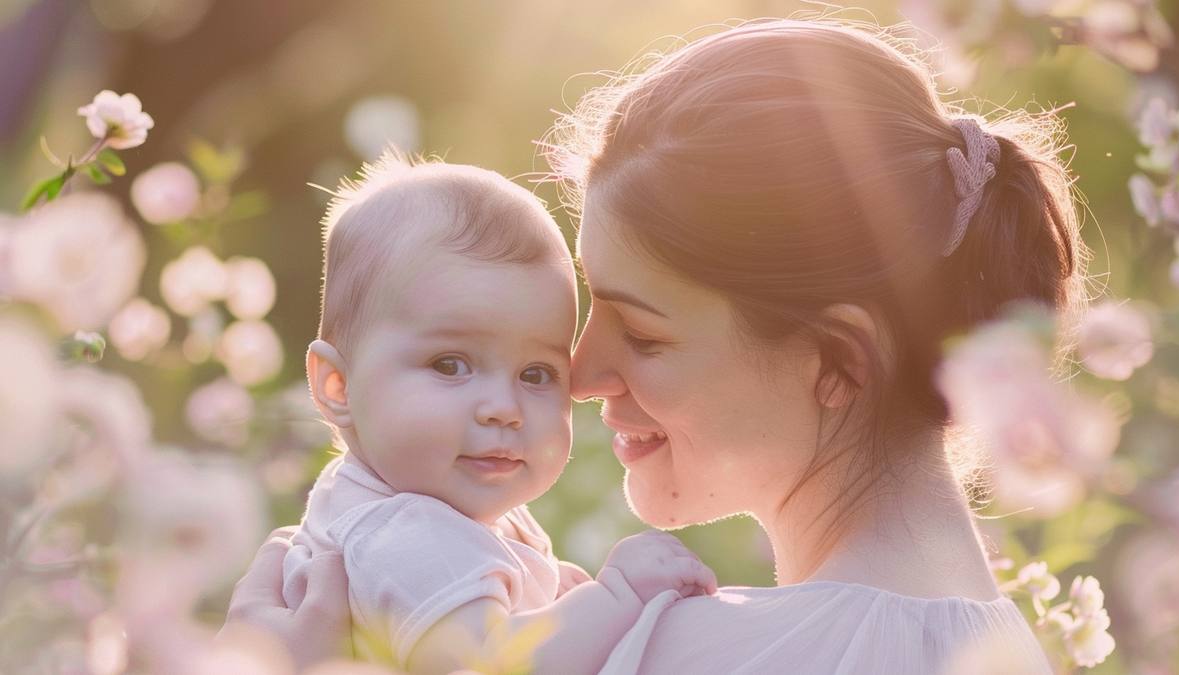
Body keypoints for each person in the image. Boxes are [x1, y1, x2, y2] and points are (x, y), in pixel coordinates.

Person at [224, 17, 1078, 673]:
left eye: (641, 331)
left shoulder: (668, 648)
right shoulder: (1005, 651)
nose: (579, 374)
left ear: (836, 362)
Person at [273, 156, 716, 674]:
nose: (504, 409)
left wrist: (556, 590)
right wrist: (618, 595)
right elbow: (493, 664)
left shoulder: (424, 509)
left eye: (536, 374)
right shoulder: (405, 533)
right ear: (338, 385)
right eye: (450, 365)